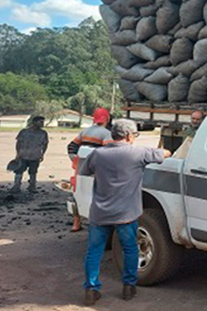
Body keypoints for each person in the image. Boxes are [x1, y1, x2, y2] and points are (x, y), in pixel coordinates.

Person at [80, 119, 171, 306]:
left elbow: (85, 170)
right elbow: (165, 153)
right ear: (129, 135)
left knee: (94, 251)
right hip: (126, 213)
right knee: (130, 248)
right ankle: (129, 287)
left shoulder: (98, 154)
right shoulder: (138, 153)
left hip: (100, 213)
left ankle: (91, 289)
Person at [67, 108, 112, 232]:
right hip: (97, 170)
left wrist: (76, 161)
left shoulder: (85, 131)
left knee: (77, 192)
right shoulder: (106, 133)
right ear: (107, 119)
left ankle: (76, 223)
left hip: (81, 168)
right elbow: (109, 152)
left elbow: (71, 147)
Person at [11, 115, 49, 193]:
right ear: (34, 122)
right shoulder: (24, 132)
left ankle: (32, 187)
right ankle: (16, 186)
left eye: (43, 122)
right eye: (40, 122)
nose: (42, 124)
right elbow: (18, 143)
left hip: (35, 156)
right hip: (23, 155)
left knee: (33, 172)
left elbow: (45, 144)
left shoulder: (43, 133)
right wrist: (18, 154)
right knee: (19, 171)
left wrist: (42, 154)